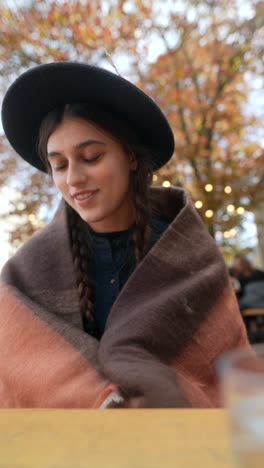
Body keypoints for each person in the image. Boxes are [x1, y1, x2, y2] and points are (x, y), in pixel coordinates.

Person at [0, 61, 249, 408]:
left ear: (130, 156)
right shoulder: (23, 274)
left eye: (91, 156)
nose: (73, 179)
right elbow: (19, 368)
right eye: (59, 165)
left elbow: (224, 376)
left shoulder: (194, 260)